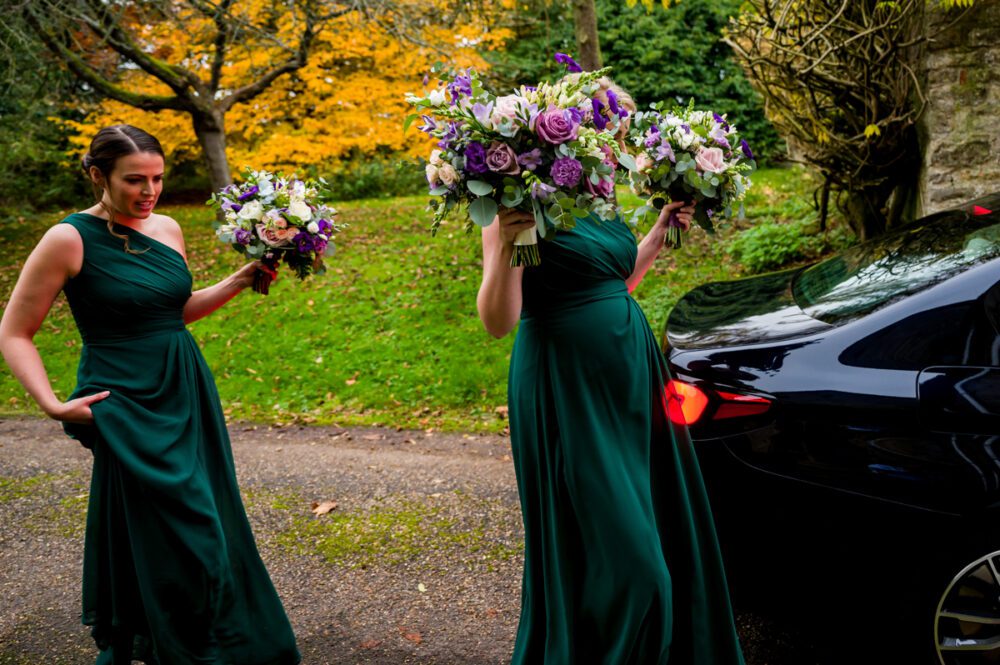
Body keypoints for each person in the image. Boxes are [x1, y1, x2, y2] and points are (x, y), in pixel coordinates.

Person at [0, 125, 300, 664]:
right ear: (98, 175)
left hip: (183, 389)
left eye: (157, 178)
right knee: (169, 530)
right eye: (134, 180)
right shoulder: (67, 239)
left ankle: (216, 641)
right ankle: (175, 646)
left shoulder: (166, 228)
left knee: (210, 520)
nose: (149, 191)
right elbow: (15, 331)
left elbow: (169, 313)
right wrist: (50, 402)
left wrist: (234, 282)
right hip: (124, 402)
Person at [477, 80, 745, 664]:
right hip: (566, 383)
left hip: (630, 375)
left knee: (655, 529)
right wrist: (507, 240)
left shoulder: (597, 192)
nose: (619, 138)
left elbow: (609, 283)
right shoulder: (515, 199)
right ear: (568, 125)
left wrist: (655, 234)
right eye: (609, 124)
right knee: (633, 564)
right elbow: (499, 320)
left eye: (622, 126)